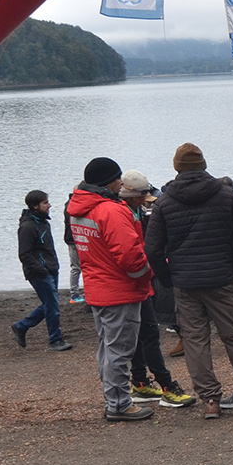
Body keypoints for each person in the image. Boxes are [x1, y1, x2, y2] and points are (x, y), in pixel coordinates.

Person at [145, 142, 233, 419]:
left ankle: (211, 400)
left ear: (177, 168)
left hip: (185, 282)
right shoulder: (226, 195)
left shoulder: (164, 203)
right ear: (203, 165)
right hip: (221, 278)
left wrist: (168, 278)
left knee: (196, 341)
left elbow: (152, 248)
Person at [67, 157, 155, 423]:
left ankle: (113, 398)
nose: (121, 183)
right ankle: (119, 404)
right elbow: (130, 256)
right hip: (119, 290)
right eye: (118, 179)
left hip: (97, 288)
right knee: (119, 350)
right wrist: (146, 276)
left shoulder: (79, 209)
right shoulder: (111, 210)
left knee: (107, 347)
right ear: (110, 181)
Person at [117, 169, 195, 408]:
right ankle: (166, 385)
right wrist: (147, 274)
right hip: (135, 284)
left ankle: (139, 382)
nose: (145, 200)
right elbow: (131, 252)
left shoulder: (133, 211)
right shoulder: (123, 215)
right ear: (131, 195)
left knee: (141, 335)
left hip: (137, 284)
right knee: (149, 335)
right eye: (142, 196)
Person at [11, 190, 71, 352]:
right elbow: (24, 254)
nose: (49, 205)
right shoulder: (27, 227)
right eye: (45, 203)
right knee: (52, 305)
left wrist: (53, 266)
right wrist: (41, 269)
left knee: (50, 304)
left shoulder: (43, 222)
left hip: (51, 268)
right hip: (39, 273)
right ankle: (55, 340)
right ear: (35, 206)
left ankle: (21, 326)